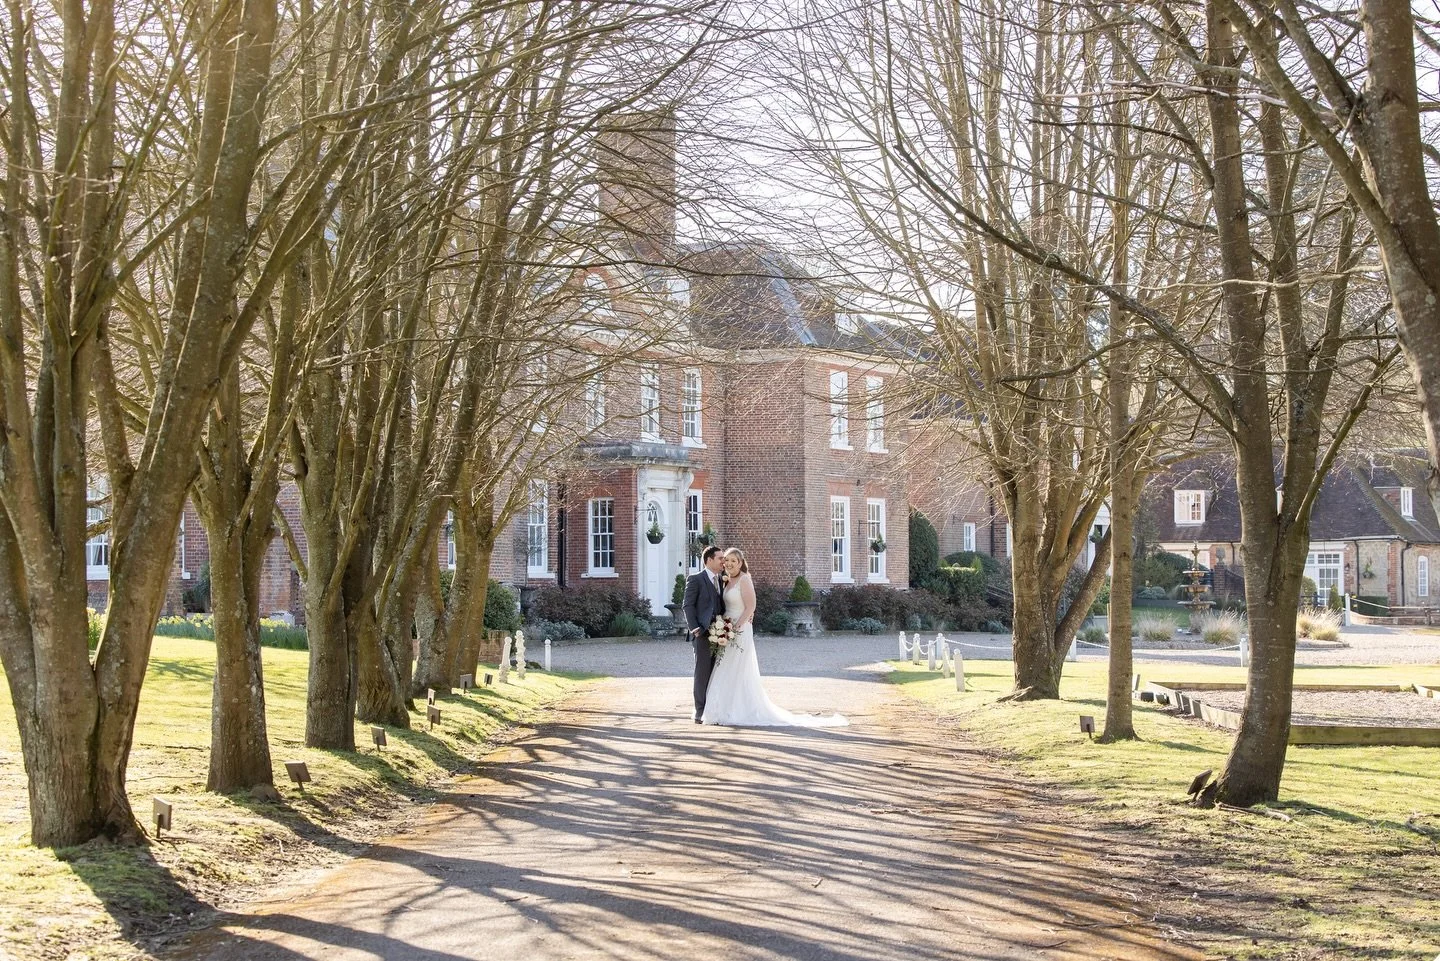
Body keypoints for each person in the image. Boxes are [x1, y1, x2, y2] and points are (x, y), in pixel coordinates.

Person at [701, 548, 848, 728]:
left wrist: (735, 628)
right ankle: (720, 708)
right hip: (726, 628)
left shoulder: (744, 579)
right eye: (727, 560)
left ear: (740, 563)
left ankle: (738, 710)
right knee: (724, 667)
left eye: (734, 561)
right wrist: (724, 627)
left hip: (739, 629)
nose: (729, 563)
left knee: (738, 668)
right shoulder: (726, 580)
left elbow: (750, 607)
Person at [682, 545, 726, 723]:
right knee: (702, 672)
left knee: (717, 671)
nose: (723, 561)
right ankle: (700, 711)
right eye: (720, 558)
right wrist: (695, 628)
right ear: (709, 560)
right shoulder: (695, 579)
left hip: (721, 633)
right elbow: (687, 605)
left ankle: (713, 709)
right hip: (702, 633)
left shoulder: (722, 579)